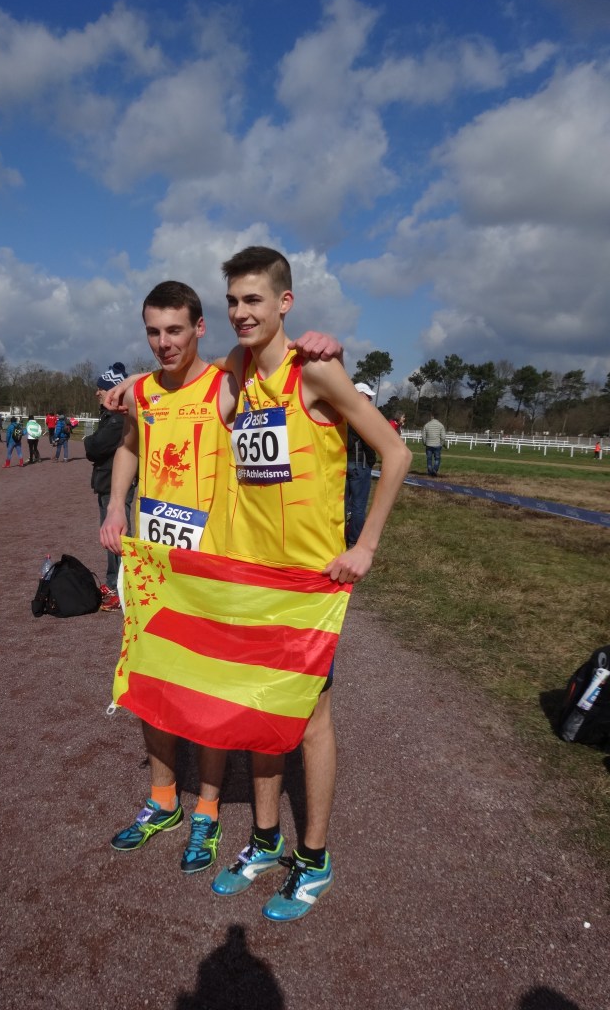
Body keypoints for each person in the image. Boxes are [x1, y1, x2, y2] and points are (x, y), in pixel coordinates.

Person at [101, 281, 343, 878]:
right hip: (156, 565)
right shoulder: (143, 392)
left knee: (208, 690)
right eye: (153, 332)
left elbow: (290, 381)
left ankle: (206, 810)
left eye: (174, 330)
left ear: (199, 328)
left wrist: (330, 348)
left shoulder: (225, 384)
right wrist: (114, 506)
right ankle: (163, 801)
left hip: (211, 568)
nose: (164, 343)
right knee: (154, 684)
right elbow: (130, 444)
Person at [210, 246, 412, 922]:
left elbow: (395, 452)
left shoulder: (317, 371)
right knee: (256, 709)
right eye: (233, 301)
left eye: (254, 300)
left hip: (308, 585)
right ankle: (266, 839)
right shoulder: (237, 371)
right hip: (250, 578)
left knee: (308, 719)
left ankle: (315, 856)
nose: (241, 312)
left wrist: (365, 546)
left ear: (284, 302)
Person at [86, 363, 136, 611]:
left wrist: (89, 441)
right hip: (107, 481)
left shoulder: (117, 419)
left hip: (115, 483)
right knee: (110, 537)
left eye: (102, 388)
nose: (97, 392)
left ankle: (122, 586)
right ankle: (113, 582)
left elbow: (94, 447)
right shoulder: (110, 416)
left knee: (118, 537)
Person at [345, 383, 378, 546]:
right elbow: (369, 442)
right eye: (367, 395)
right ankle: (354, 540)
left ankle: (339, 536)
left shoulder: (341, 413)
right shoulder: (360, 415)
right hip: (360, 464)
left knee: (342, 504)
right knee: (358, 506)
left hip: (342, 463)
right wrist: (371, 461)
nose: (370, 399)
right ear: (358, 394)